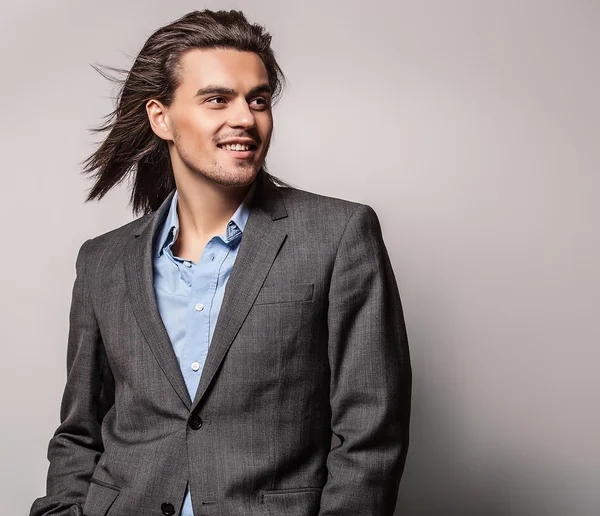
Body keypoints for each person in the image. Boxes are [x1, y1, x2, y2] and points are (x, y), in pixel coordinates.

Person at [30, 9, 411, 516]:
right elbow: (80, 429)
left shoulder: (337, 235)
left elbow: (371, 428)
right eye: (217, 99)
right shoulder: (103, 260)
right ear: (160, 117)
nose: (245, 118)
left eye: (258, 100)